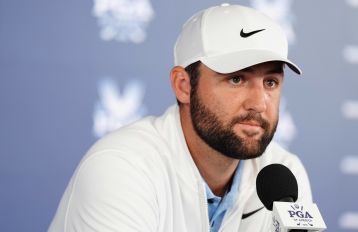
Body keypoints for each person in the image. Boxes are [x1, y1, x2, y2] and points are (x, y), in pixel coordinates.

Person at [49, 3, 312, 232]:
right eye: (236, 79)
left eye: (270, 82)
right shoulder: (121, 167)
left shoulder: (284, 175)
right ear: (183, 85)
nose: (259, 103)